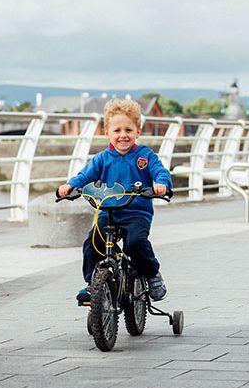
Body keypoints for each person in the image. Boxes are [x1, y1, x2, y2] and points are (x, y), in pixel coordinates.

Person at [57, 99, 172, 303]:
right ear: (107, 132)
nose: (123, 135)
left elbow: (160, 172)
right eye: (117, 130)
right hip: (108, 212)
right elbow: (84, 176)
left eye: (128, 129)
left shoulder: (145, 156)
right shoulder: (102, 158)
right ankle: (93, 284)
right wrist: (69, 186)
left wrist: (161, 184)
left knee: (136, 243)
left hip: (137, 213)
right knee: (93, 243)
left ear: (138, 131)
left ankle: (152, 273)